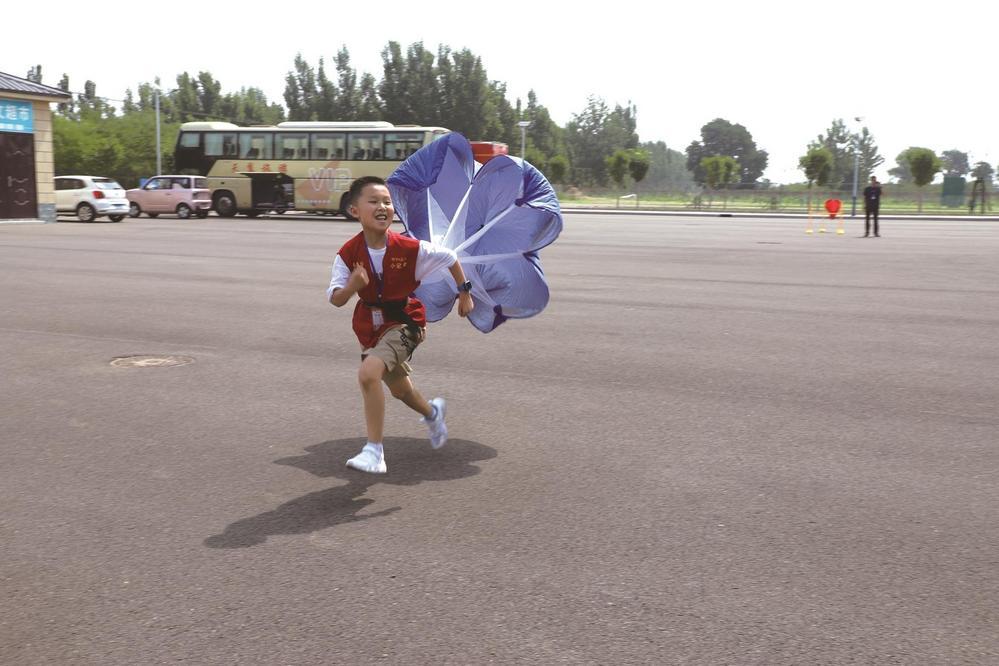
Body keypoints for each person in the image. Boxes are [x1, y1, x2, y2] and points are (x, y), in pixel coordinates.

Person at [326, 176, 474, 474]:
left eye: (387, 202)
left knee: (369, 373)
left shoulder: (410, 248)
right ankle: (433, 413)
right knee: (400, 391)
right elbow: (336, 299)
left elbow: (450, 257)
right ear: (355, 211)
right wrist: (353, 285)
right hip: (371, 327)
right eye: (374, 201)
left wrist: (465, 293)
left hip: (406, 323)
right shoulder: (347, 254)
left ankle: (374, 451)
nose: (383, 207)